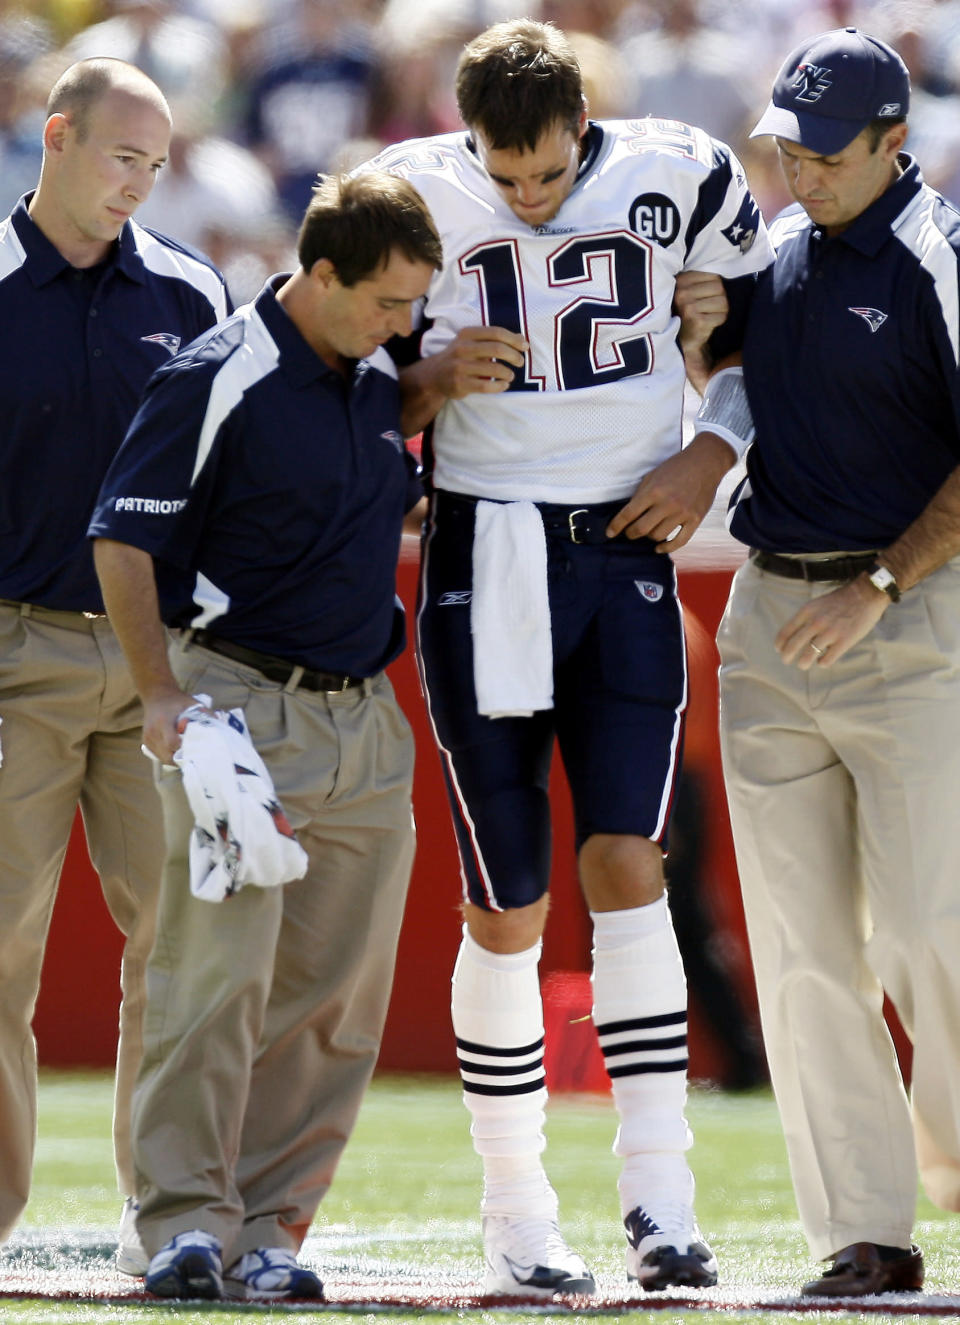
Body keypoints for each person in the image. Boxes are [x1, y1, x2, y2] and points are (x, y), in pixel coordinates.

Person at [361, 17, 773, 1296]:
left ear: (583, 126)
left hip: (630, 542)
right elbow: (342, 374)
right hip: (484, 549)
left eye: (546, 170)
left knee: (629, 862)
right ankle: (517, 1205)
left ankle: (661, 1193)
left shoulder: (683, 171)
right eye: (506, 172)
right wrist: (424, 380)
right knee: (509, 895)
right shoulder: (411, 191)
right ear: (466, 133)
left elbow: (768, 342)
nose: (527, 194)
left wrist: (711, 449)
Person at [89, 169, 442, 1302]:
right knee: (214, 980)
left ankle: (273, 1226)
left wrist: (420, 379)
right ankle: (185, 1223)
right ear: (320, 274)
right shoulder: (216, 371)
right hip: (236, 708)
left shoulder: (378, 367)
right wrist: (156, 694)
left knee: (334, 999)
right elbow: (123, 540)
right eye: (388, 301)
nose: (404, 324)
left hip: (365, 722)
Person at [717, 26, 960, 1298]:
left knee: (934, 930)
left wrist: (880, 585)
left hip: (909, 612)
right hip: (769, 621)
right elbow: (732, 377)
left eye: (822, 151)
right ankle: (863, 1232)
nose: (797, 167)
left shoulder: (941, 257)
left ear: (892, 143)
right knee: (805, 951)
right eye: (787, 143)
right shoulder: (777, 246)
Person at [0, 56, 228, 1269]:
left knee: (184, 948)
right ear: (57, 137)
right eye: (122, 156)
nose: (142, 183)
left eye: (158, 162)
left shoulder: (193, 294)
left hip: (163, 666)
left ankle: (177, 1222)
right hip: (11, 652)